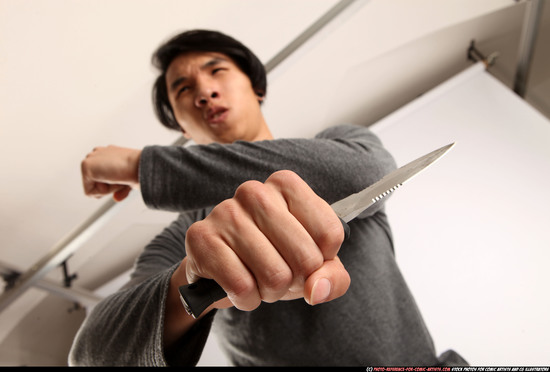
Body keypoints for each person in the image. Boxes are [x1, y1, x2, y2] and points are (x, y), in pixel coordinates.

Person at [70, 29, 466, 366]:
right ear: (182, 128)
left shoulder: (341, 143)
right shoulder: (183, 239)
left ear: (256, 87)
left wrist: (145, 166)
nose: (204, 92)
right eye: (184, 89)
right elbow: (92, 355)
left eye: (217, 71)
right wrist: (191, 278)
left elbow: (367, 174)